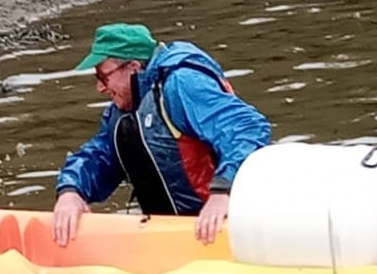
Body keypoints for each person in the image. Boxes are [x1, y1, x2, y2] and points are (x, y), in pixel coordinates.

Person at [51, 23, 271, 247]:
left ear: (133, 67)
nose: (99, 87)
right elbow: (100, 155)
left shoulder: (182, 85)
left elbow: (248, 128)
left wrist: (222, 192)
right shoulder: (123, 110)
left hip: (220, 227)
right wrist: (71, 191)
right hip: (174, 236)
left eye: (103, 76)